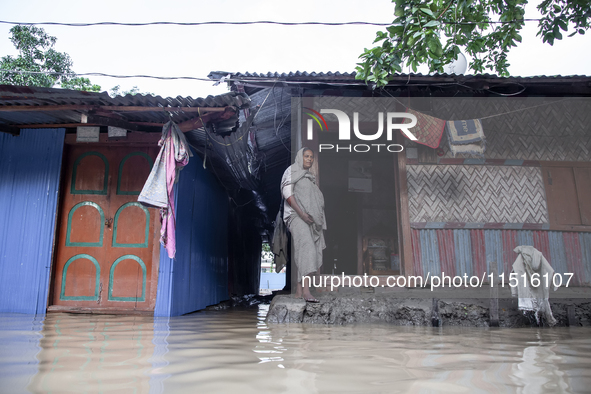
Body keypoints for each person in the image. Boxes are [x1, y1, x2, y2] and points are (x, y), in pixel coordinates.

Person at [280, 147, 326, 302]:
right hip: (296, 216)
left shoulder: (309, 177)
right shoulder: (292, 170)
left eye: (311, 157)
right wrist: (302, 214)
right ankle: (307, 291)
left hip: (308, 219)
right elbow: (287, 194)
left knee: (303, 250)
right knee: (307, 247)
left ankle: (299, 291)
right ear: (300, 156)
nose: (309, 159)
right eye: (306, 156)